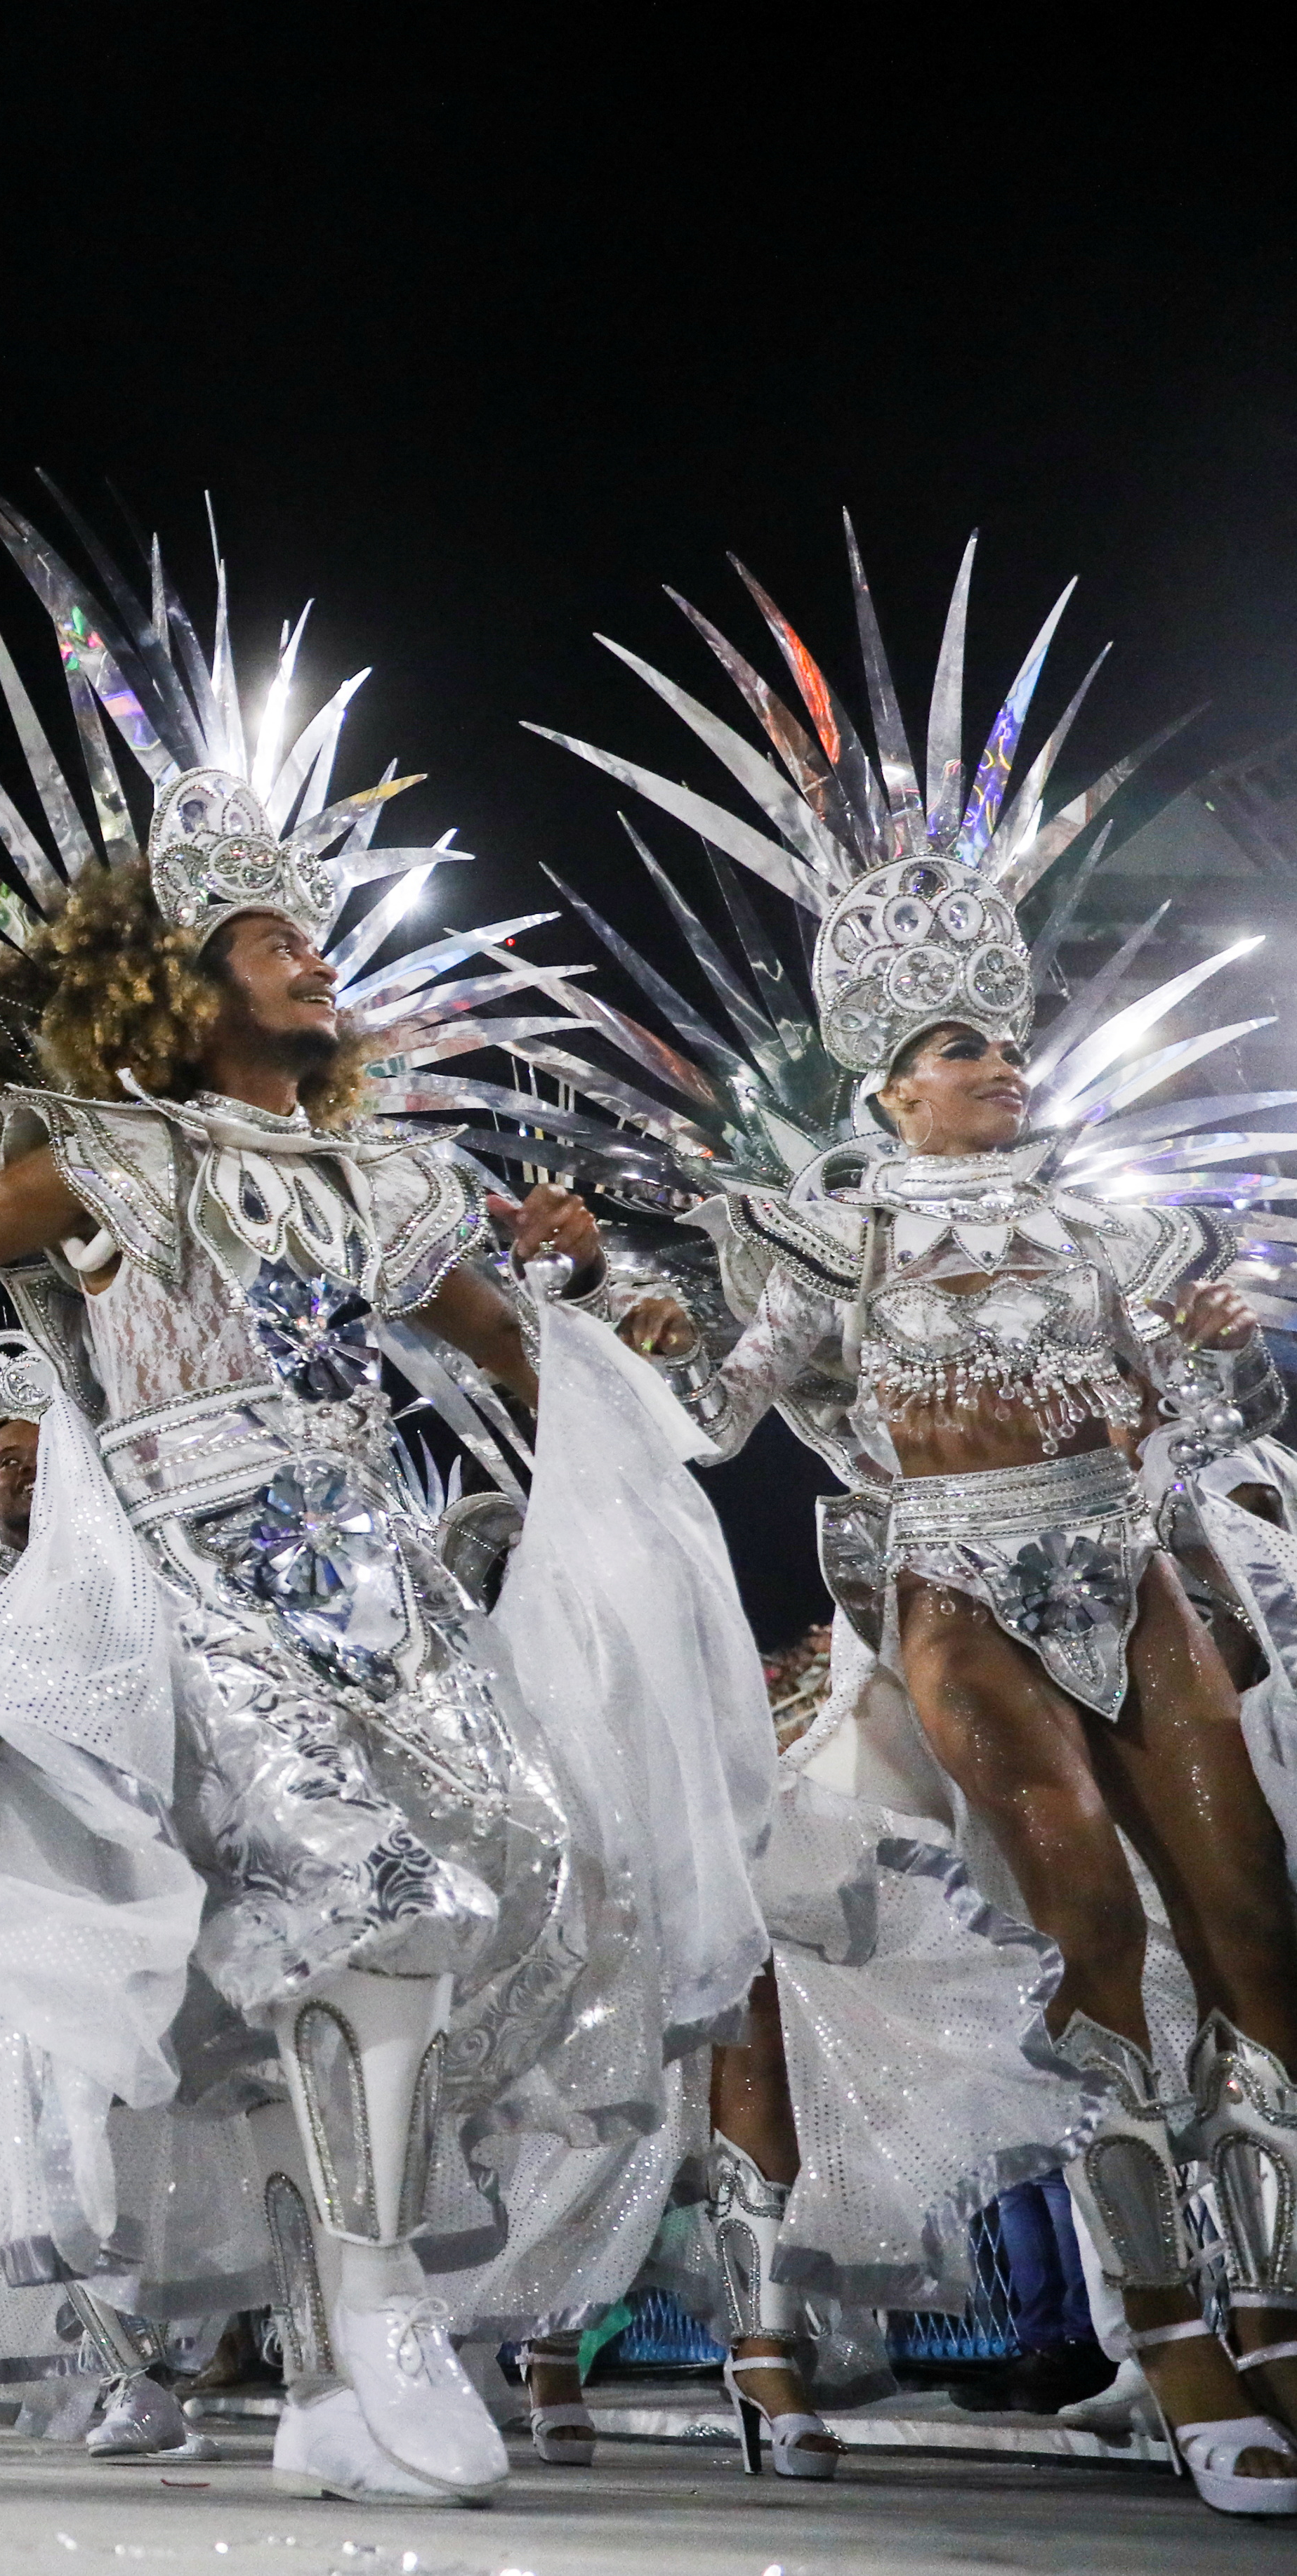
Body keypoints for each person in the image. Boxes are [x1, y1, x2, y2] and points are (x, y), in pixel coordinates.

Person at [0, 476, 757, 2507]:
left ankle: (342, 2331)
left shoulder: (390, 1177)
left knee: (498, 1861)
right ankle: (370, 2299)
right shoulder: (108, 1159)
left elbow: (529, 1353)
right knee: (367, 1899)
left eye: (314, 934)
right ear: (182, 976)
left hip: (380, 1579)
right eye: (266, 935)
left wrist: (609, 1301)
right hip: (183, 1571)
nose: (311, 961)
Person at [536, 526, 1297, 2515]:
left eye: (1005, 1031)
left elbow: (1197, 1414)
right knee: (1096, 1936)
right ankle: (1174, 2330)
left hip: (1119, 1571)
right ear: (889, 1078)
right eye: (962, 1044)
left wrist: (1214, 1346)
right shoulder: (815, 1225)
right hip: (950, 1597)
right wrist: (601, 1310)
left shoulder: (1118, 1222)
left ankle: (1277, 2310)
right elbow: (712, 1415)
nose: (1003, 1058)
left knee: (1260, 1945)